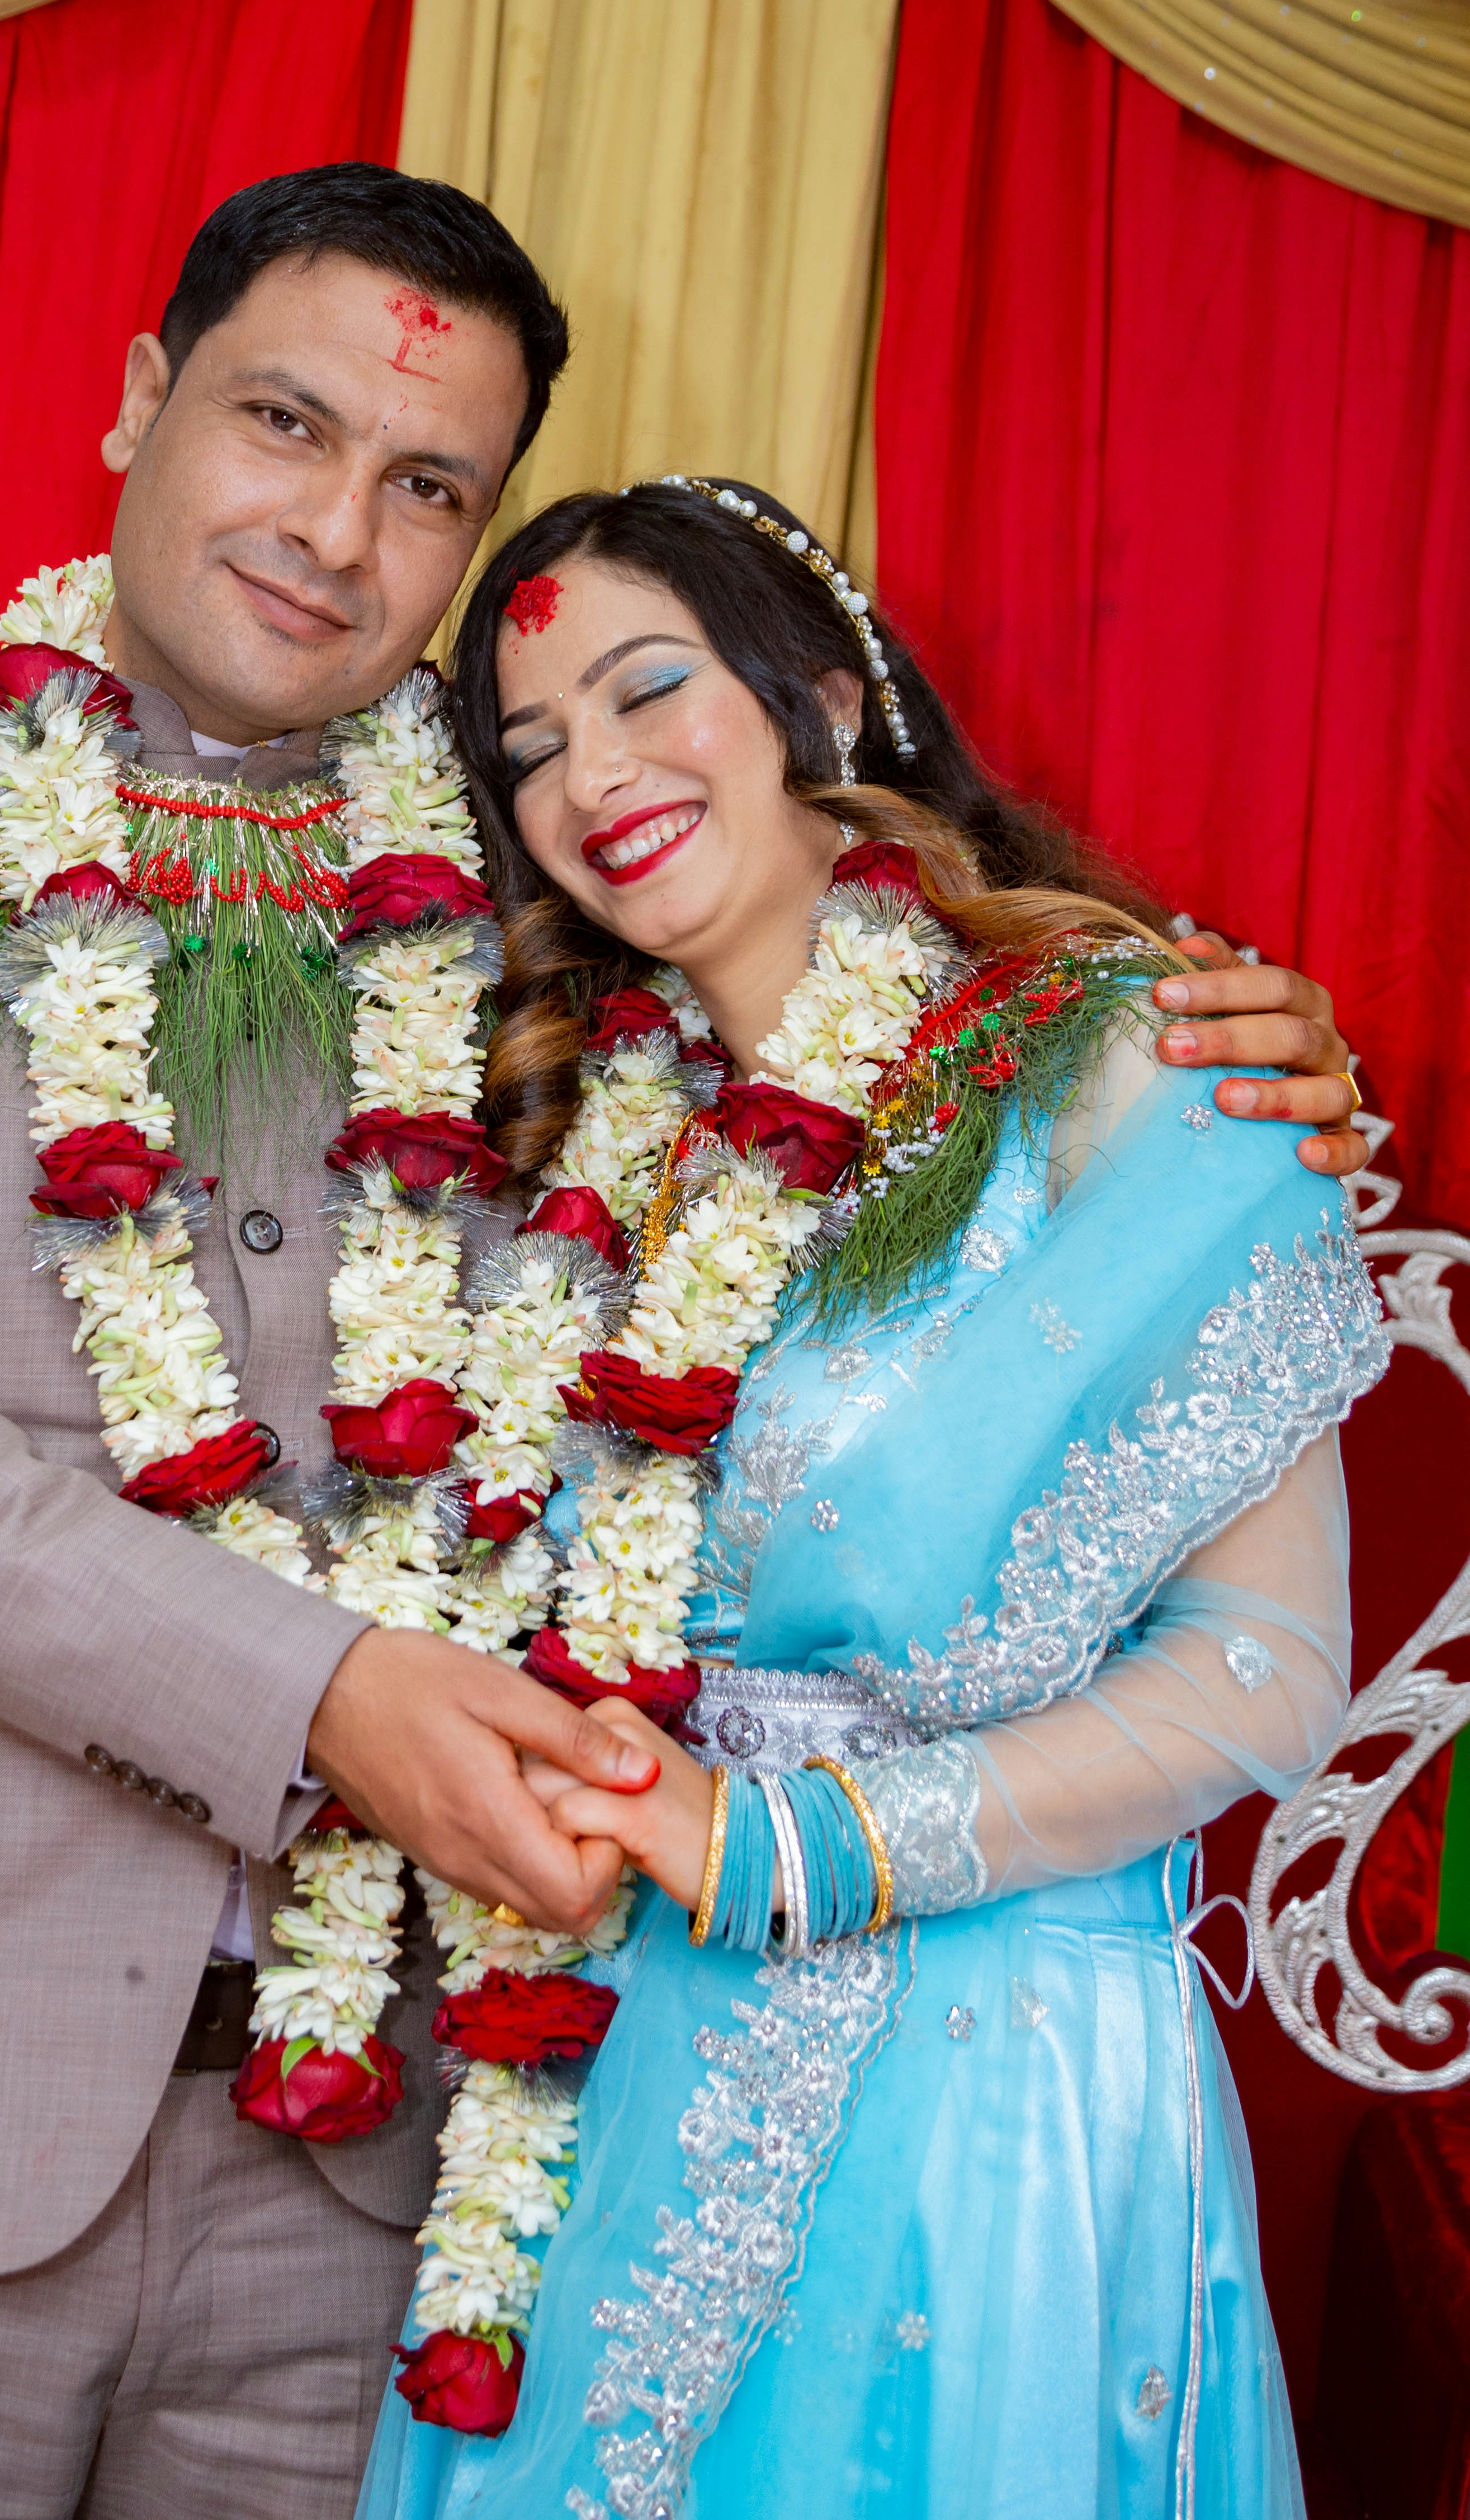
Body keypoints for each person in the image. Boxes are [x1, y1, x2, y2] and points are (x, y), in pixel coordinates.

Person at [0, 154, 1360, 2520]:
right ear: (138, 404)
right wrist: (332, 1698)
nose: (333, 530)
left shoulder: (524, 900)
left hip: (408, 2173)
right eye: (278, 422)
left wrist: (1229, 1048)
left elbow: (886, 1054)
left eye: (423, 484)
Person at [356, 478, 1387, 2520]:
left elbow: (1266, 1665)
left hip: (984, 2077)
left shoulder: (1130, 1062)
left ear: (823, 696)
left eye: (652, 690)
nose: (596, 779)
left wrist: (787, 1844)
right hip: (612, 2043)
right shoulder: (573, 1150)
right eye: (533, 749)